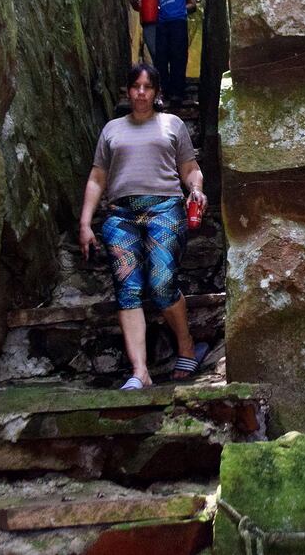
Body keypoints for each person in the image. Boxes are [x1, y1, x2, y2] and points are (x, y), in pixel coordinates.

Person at [79, 63, 208, 389]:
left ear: (156, 92)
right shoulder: (111, 130)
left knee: (161, 282)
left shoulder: (172, 124)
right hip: (120, 216)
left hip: (165, 210)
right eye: (135, 86)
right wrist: (85, 222)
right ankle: (140, 372)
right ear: (127, 90)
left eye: (147, 87)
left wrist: (196, 189)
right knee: (128, 289)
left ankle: (186, 346)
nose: (140, 92)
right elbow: (97, 178)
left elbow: (190, 168)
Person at [128, 0, 197, 108]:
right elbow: (145, 8)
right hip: (161, 24)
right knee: (161, 59)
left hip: (178, 22)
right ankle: (163, 92)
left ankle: (177, 94)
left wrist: (192, 0)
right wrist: (135, 5)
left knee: (178, 57)